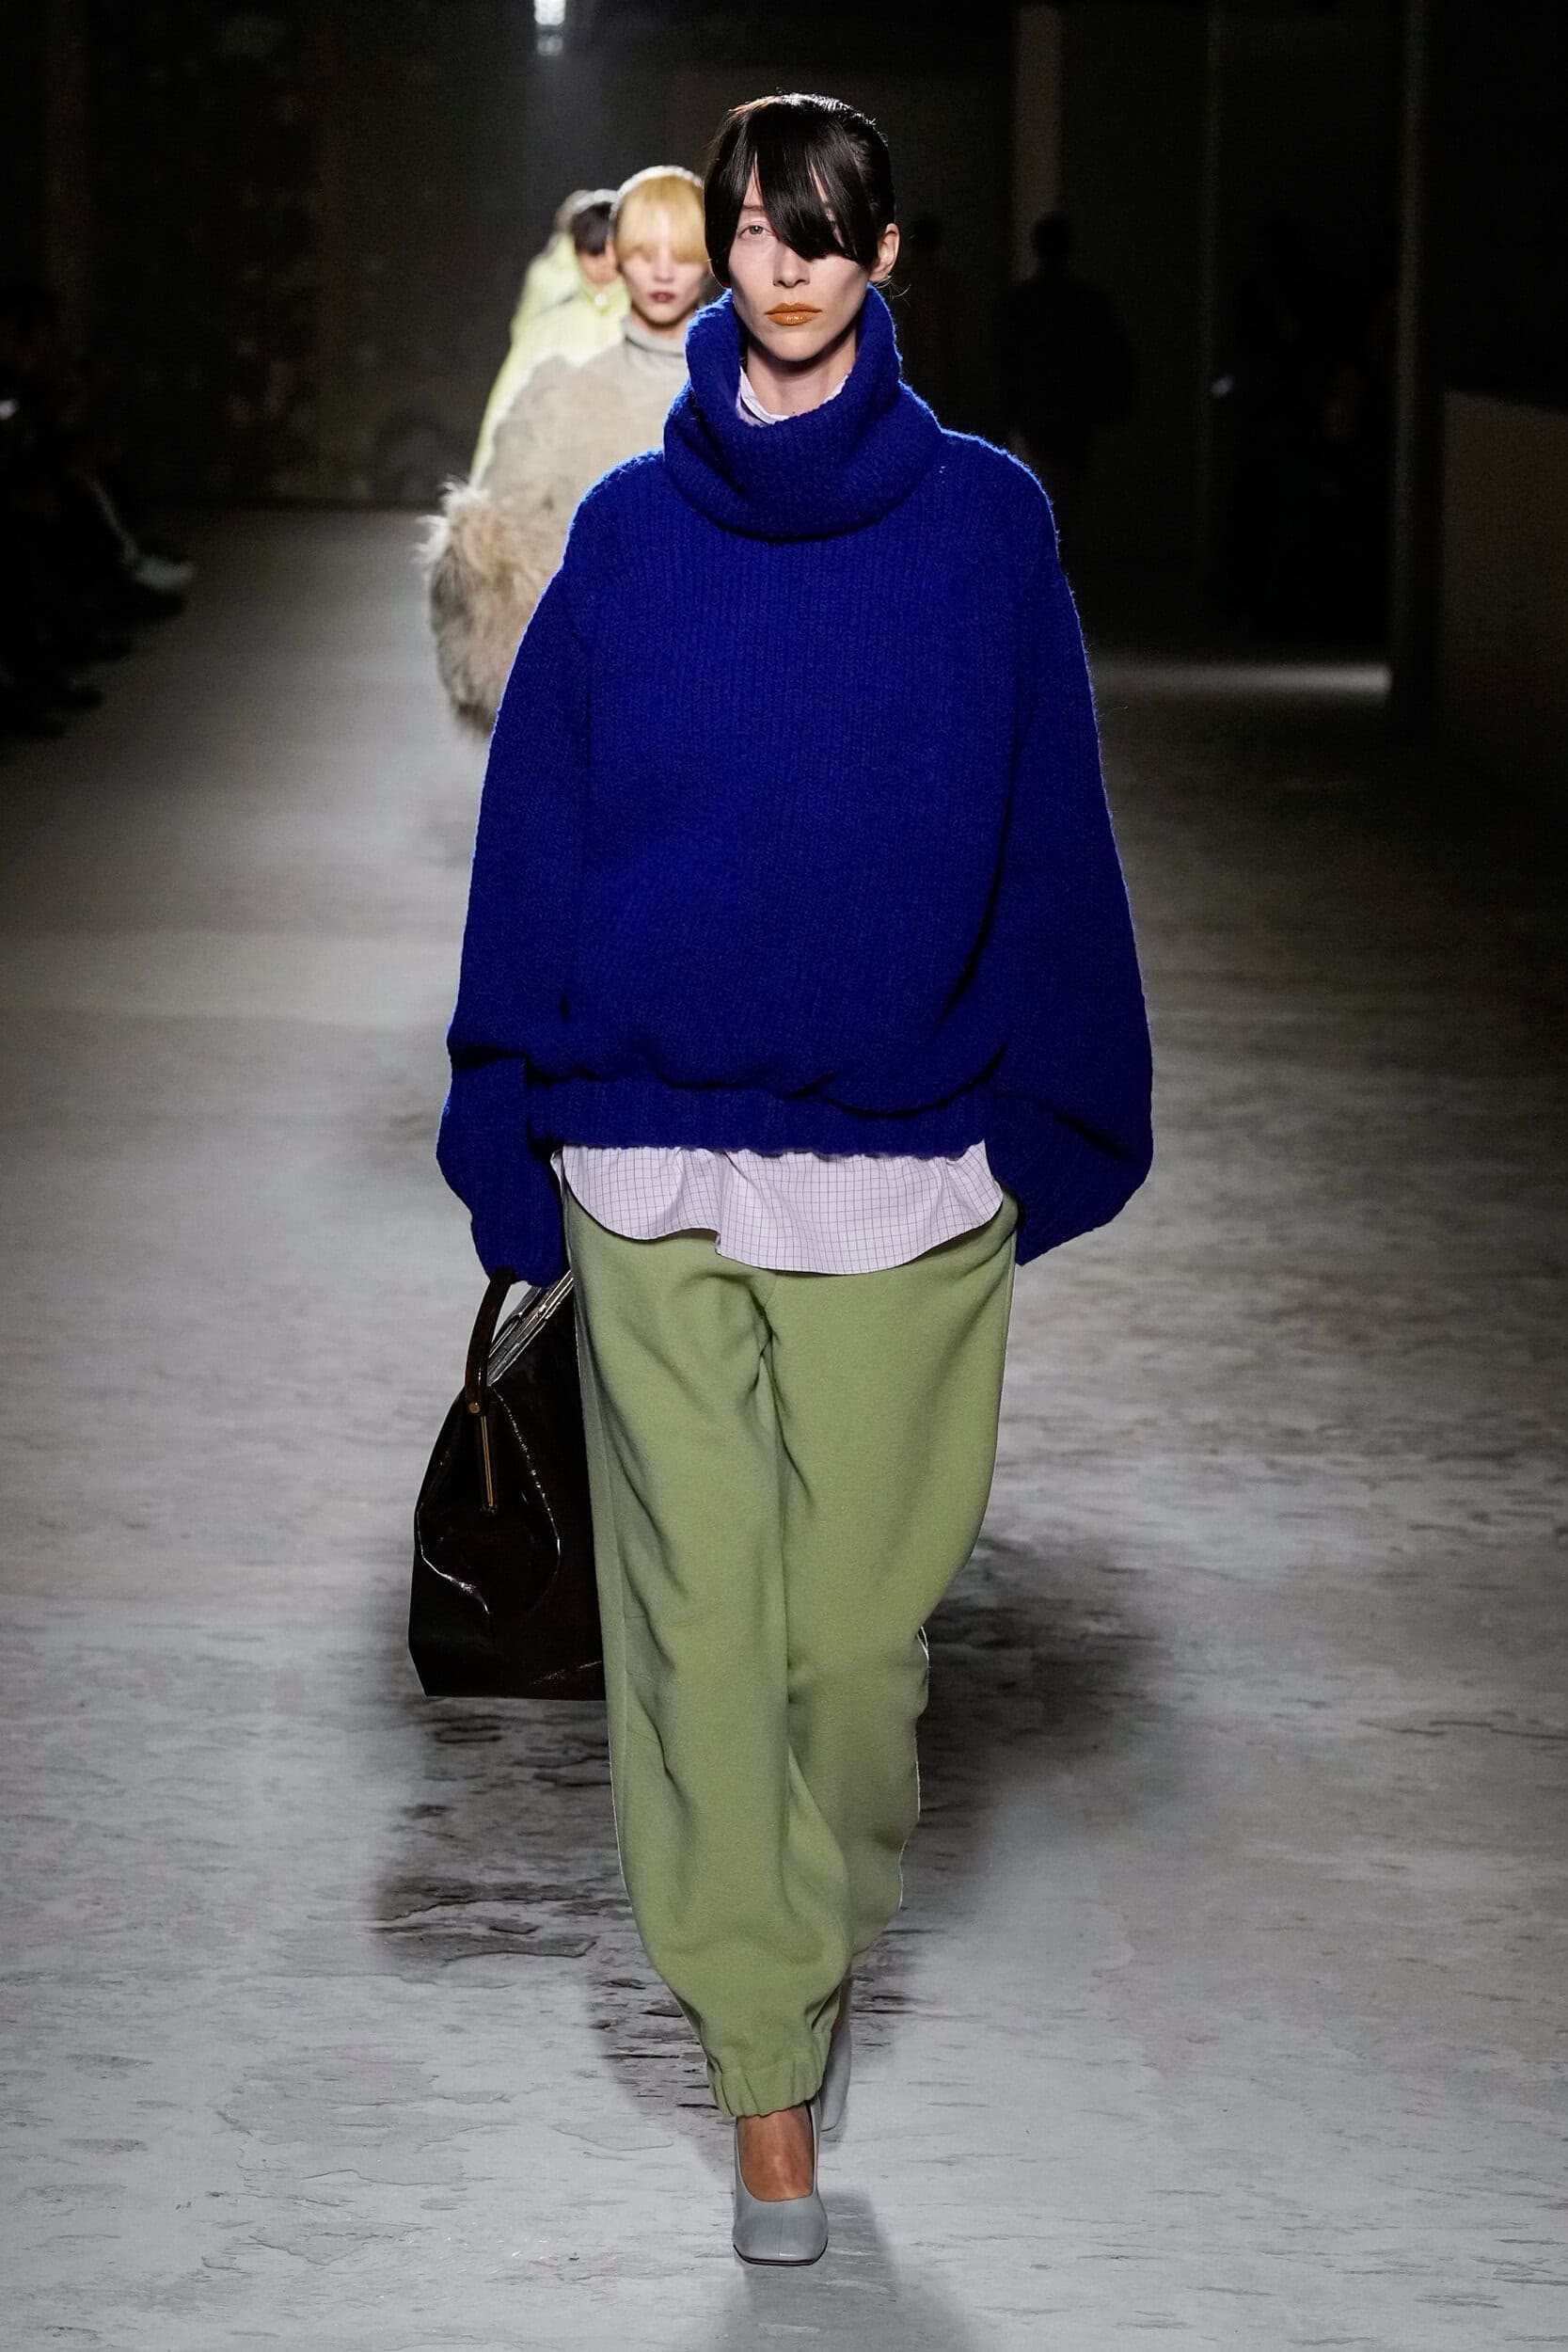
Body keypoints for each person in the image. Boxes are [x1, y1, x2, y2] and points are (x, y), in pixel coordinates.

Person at [438, 94, 1151, 2265]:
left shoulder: (985, 529)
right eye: (755, 226)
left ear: (884, 256)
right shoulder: (631, 537)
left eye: (823, 232)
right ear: (717, 249)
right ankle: (761, 2066)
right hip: (649, 1157)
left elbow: (1049, 828)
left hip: (903, 1176)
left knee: (850, 1657)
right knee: (693, 1644)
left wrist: (1056, 1117)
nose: (782, 263)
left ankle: (801, 1959)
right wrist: (505, 1118)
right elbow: (538, 834)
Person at [425, 168, 709, 736]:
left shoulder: (749, 398)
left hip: (719, 697)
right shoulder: (559, 396)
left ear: (711, 260)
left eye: (680, 252)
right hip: (592, 702)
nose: (662, 270)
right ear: (616, 254)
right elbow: (497, 561)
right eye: (643, 250)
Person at [996, 214, 1137, 553]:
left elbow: (1004, 362)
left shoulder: (1021, 304)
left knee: (1033, 510)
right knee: (1066, 513)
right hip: (1074, 418)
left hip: (1032, 416)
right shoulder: (1088, 303)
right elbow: (1112, 356)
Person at [470, 190, 627, 478]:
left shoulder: (652, 322)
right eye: (593, 251)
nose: (605, 261)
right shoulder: (545, 323)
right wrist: (486, 479)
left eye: (612, 248)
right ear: (575, 249)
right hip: (556, 473)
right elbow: (506, 407)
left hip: (630, 475)